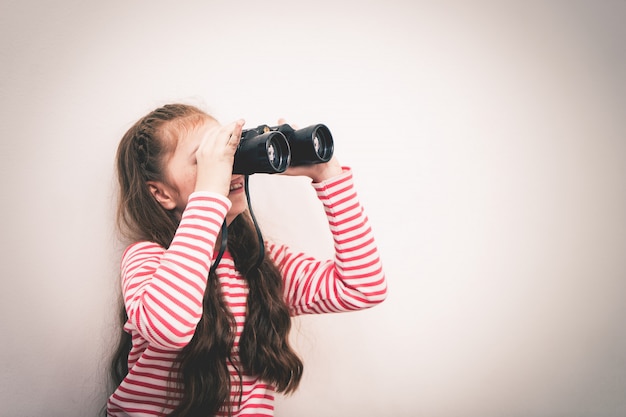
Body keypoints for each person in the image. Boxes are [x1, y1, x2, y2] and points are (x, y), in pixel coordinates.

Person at [106, 103, 387, 417]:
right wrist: (211, 193)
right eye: (207, 159)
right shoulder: (148, 259)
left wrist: (328, 176)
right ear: (161, 193)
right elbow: (170, 327)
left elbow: (364, 287)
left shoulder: (259, 262)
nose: (228, 167)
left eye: (229, 150)